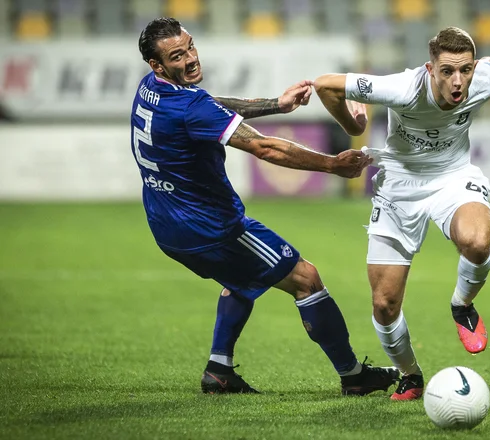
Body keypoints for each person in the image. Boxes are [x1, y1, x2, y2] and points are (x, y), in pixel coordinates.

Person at [132, 17, 399, 396]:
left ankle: (219, 370)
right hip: (210, 228)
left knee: (241, 280)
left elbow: (210, 105)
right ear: (157, 64)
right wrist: (331, 165)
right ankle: (354, 375)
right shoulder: (189, 107)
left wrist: (277, 104)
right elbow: (264, 147)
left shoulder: (150, 89)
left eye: (191, 46)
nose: (191, 58)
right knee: (306, 279)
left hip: (166, 222)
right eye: (178, 55)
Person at [314, 26, 490, 401]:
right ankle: (410, 375)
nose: (458, 81)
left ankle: (462, 305)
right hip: (399, 187)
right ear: (430, 68)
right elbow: (325, 85)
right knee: (385, 305)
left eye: (464, 70)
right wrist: (351, 124)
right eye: (448, 71)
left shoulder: (479, 77)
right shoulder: (402, 89)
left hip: (453, 178)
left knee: (477, 241)